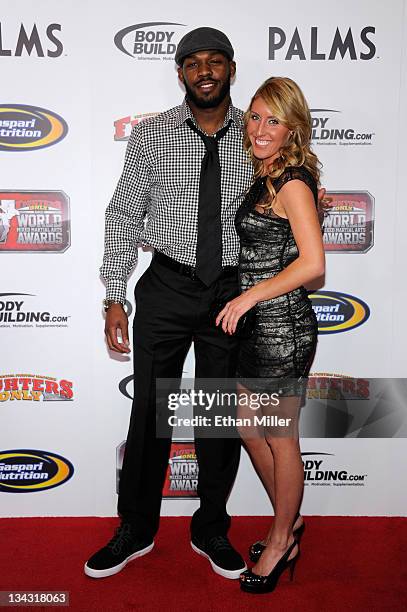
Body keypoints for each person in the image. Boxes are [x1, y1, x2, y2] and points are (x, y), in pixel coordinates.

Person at [84, 27, 254, 581]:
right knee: (149, 415)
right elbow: (124, 215)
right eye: (193, 63)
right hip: (165, 286)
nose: (204, 71)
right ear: (180, 72)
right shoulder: (153, 133)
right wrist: (114, 295)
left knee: (216, 416)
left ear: (231, 68)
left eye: (215, 61)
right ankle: (136, 527)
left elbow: (287, 197)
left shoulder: (260, 131)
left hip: (231, 291)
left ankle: (211, 528)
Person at [216, 77, 325, 594]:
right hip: (259, 327)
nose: (260, 129)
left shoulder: (293, 183)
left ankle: (282, 539)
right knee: (247, 425)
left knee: (281, 438)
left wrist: (250, 295)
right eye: (255, 117)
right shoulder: (267, 176)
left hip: (283, 328)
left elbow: (313, 262)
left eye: (273, 121)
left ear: (293, 127)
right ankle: (291, 519)